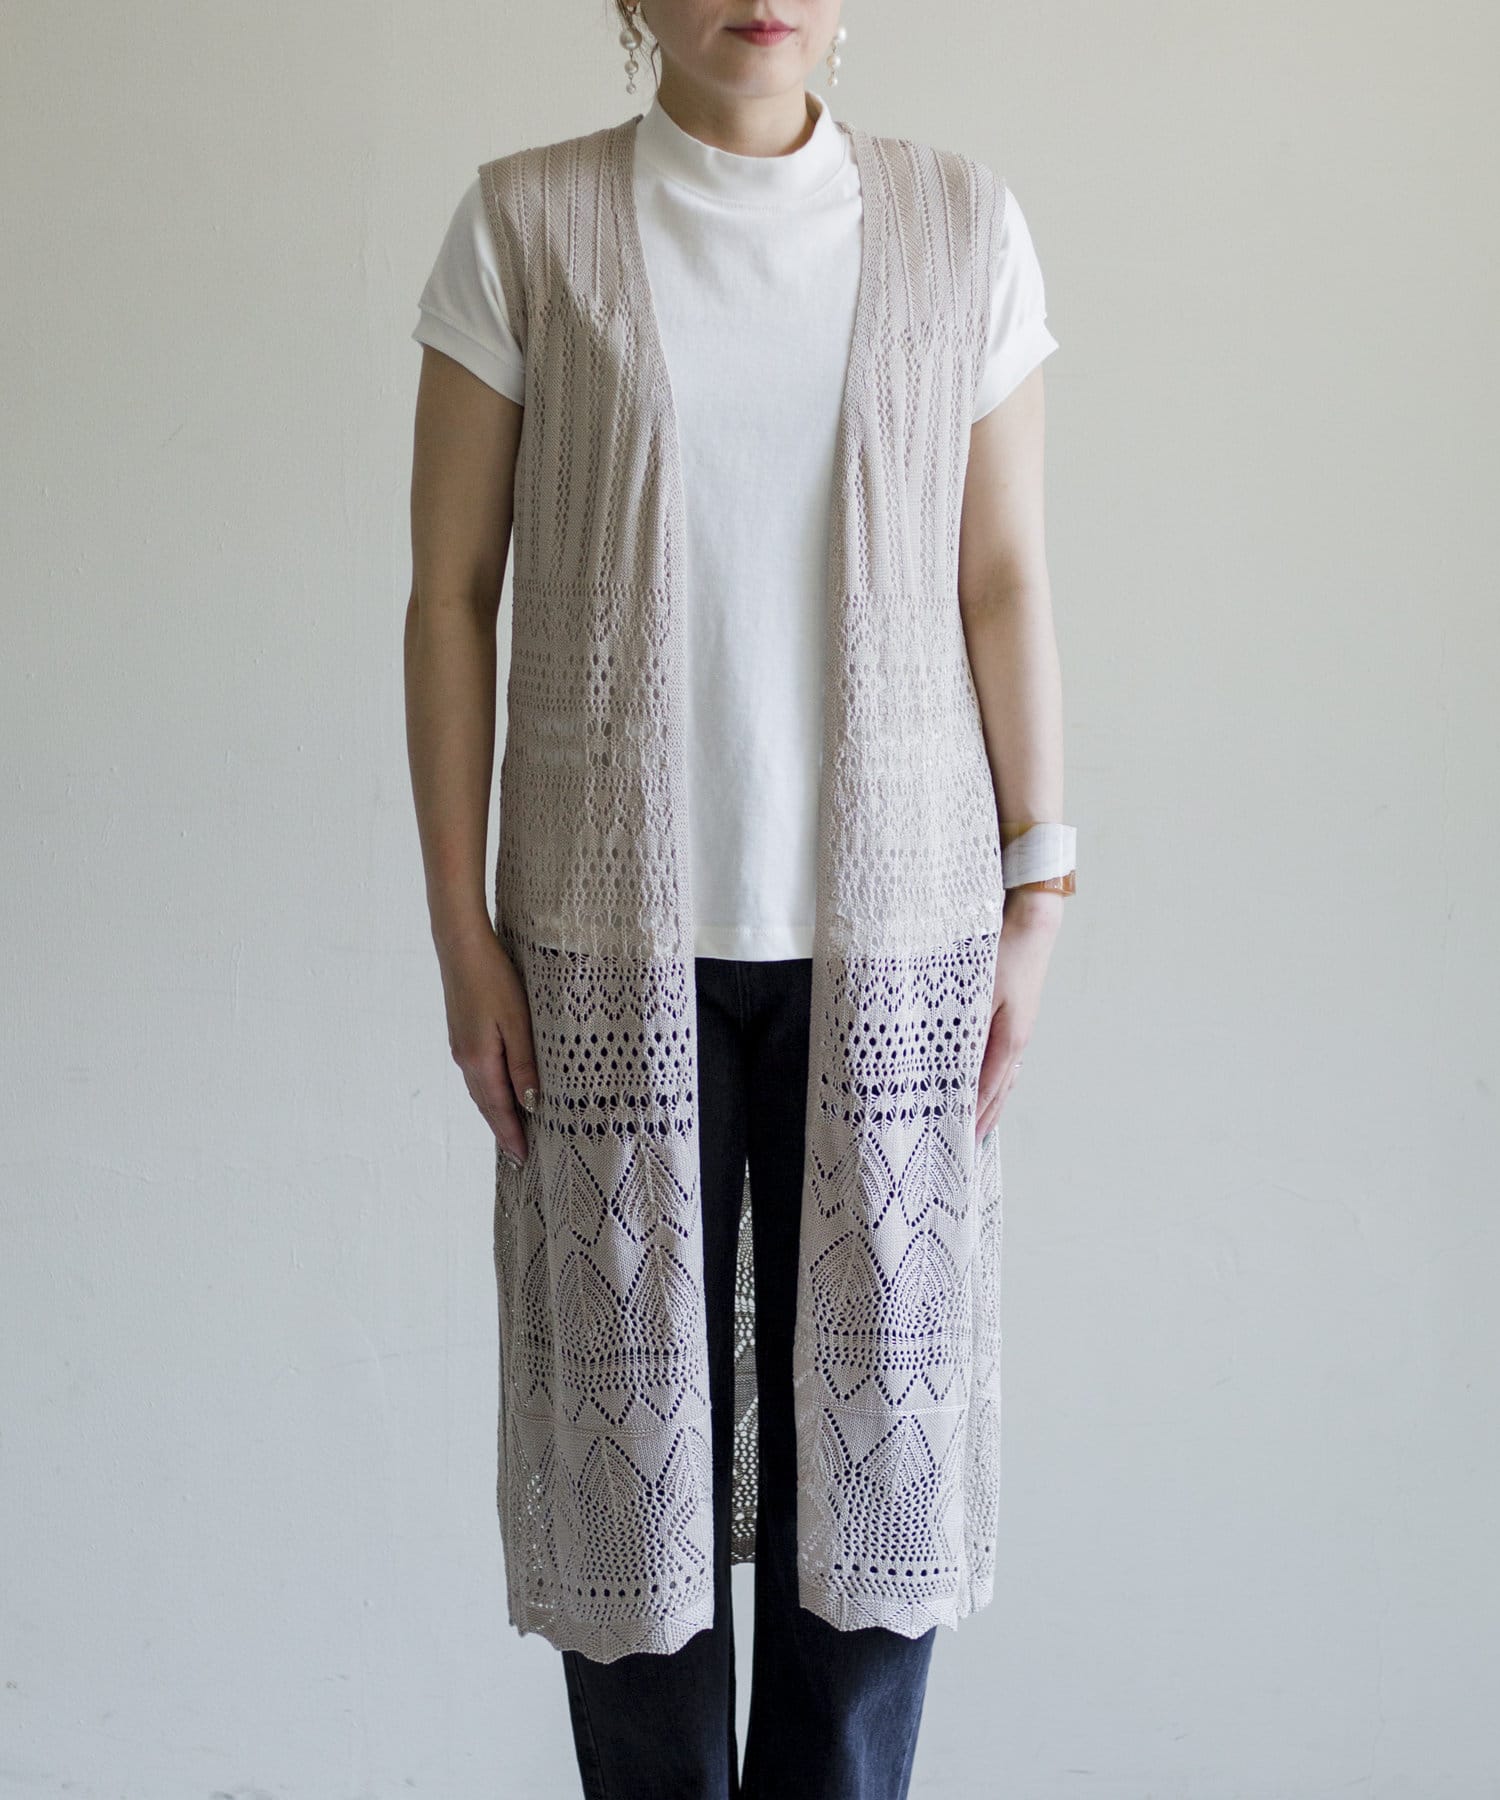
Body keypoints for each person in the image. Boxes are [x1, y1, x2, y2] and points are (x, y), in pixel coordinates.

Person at [404, 4, 1076, 1795]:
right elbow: (450, 590)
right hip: (603, 957)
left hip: (900, 948)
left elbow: (1004, 576)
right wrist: (460, 931)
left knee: (872, 1486)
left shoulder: (961, 226)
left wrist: (1041, 882)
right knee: (639, 1530)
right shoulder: (526, 226)